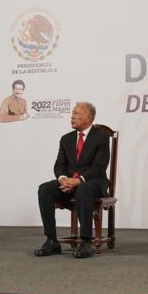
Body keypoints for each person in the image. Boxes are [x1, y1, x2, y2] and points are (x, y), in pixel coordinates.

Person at [35, 101, 109, 259]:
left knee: (83, 189)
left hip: (93, 182)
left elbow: (99, 167)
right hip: (69, 183)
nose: (72, 117)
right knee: (45, 189)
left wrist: (78, 181)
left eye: (76, 113)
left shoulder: (101, 138)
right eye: (72, 113)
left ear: (88, 117)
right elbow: (59, 165)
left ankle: (86, 242)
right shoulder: (66, 139)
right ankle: (51, 241)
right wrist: (63, 180)